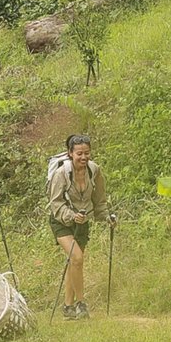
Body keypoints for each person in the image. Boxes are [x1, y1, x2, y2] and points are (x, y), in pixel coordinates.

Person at [47, 134, 115, 319]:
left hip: (83, 223)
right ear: (70, 154)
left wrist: (107, 217)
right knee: (76, 258)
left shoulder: (94, 171)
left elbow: (99, 200)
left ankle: (67, 308)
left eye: (87, 153)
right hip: (61, 222)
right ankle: (81, 304)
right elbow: (55, 203)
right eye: (79, 154)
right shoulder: (61, 174)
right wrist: (71, 216)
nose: (83, 157)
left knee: (74, 263)